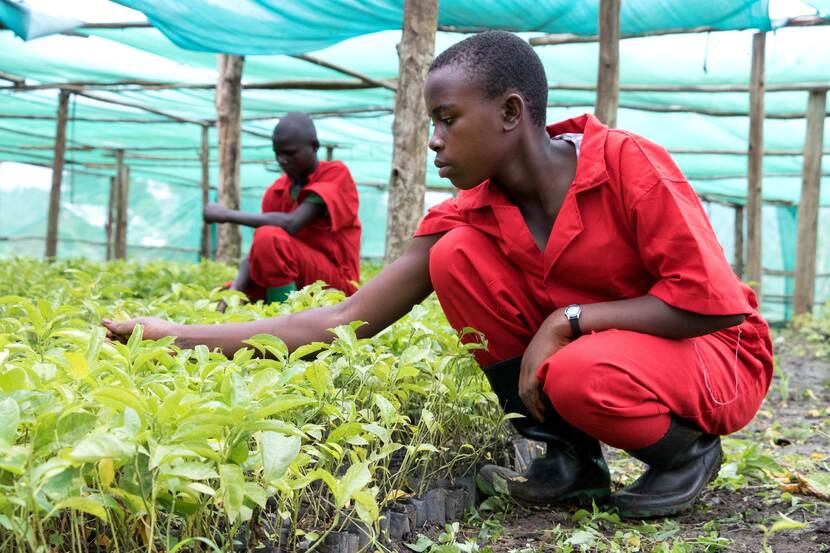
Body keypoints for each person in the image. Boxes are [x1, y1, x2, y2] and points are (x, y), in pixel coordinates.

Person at [104, 32, 772, 518]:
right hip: (609, 353)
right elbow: (341, 319)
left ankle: (684, 453)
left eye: (448, 120)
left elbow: (711, 308)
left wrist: (568, 320)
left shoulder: (627, 166)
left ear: (511, 113)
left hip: (715, 353)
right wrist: (171, 335)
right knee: (456, 258)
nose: (434, 140)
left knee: (577, 370)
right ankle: (571, 461)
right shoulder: (472, 213)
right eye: (432, 122)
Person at [203, 113, 361, 304]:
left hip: (336, 284)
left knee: (269, 237)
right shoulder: (276, 191)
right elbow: (259, 250)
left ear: (314, 146)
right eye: (278, 153)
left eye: (290, 153)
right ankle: (276, 310)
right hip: (298, 276)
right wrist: (235, 289)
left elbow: (293, 223)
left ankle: (284, 319)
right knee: (229, 291)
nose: (282, 160)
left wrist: (225, 214)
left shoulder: (335, 175)